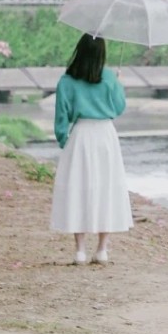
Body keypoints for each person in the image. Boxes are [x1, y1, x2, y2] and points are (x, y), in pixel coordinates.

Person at [49, 34, 133, 266]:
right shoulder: (108, 77)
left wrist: (64, 139)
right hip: (105, 135)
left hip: (81, 135)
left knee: (80, 187)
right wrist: (117, 83)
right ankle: (102, 249)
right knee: (106, 187)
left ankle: (79, 251)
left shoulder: (67, 80)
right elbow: (119, 107)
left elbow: (61, 116)